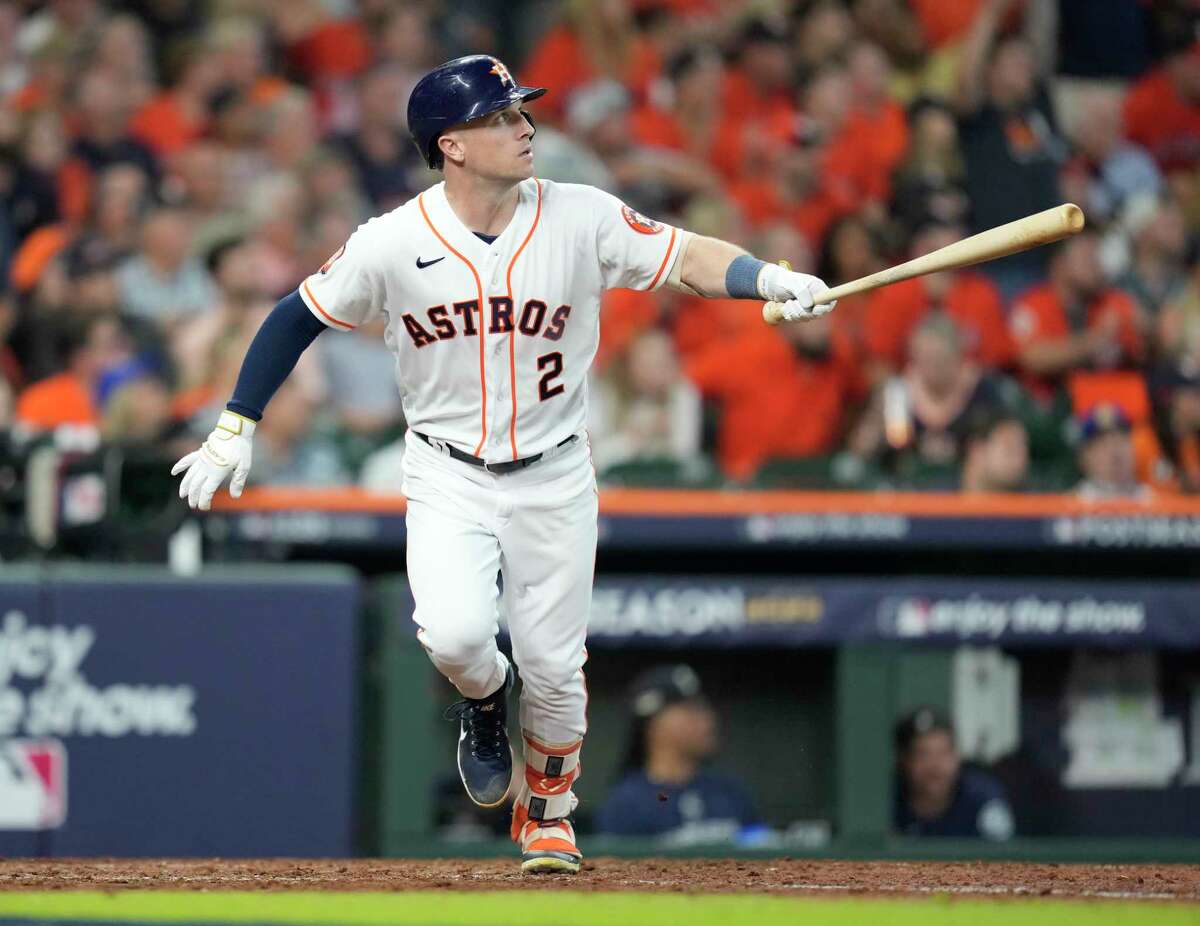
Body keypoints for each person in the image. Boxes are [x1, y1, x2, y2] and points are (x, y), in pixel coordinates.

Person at [170, 54, 836, 874]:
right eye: (500, 118)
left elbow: (686, 255)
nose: (524, 127)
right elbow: (294, 315)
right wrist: (235, 423)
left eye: (522, 112)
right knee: (454, 636)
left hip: (554, 470)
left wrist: (767, 276)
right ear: (450, 144)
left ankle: (550, 813)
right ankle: (483, 699)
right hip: (447, 468)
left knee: (556, 668)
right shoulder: (394, 239)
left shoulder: (580, 215)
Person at [595, 665, 758, 840]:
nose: (707, 720)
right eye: (690, 710)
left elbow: (762, 846)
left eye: (704, 709)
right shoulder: (627, 804)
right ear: (653, 725)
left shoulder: (730, 793)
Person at [894, 706, 1014, 840]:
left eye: (944, 753)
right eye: (923, 754)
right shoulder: (889, 801)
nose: (935, 766)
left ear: (957, 757)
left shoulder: (981, 798)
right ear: (905, 760)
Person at [1075, 402, 1149, 500]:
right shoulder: (1069, 508)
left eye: (1120, 441)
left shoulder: (1156, 504)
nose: (1115, 452)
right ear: (1086, 456)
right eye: (1104, 445)